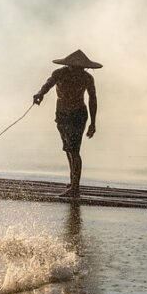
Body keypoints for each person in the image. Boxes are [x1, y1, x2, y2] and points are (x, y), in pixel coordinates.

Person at [33, 49, 100, 198]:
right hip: (62, 114)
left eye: (81, 68)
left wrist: (93, 123)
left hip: (78, 115)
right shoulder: (59, 74)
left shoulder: (87, 78)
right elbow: (48, 84)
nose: (78, 71)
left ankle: (75, 187)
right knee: (68, 149)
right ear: (69, 66)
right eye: (76, 68)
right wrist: (40, 94)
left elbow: (93, 99)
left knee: (74, 149)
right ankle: (73, 182)